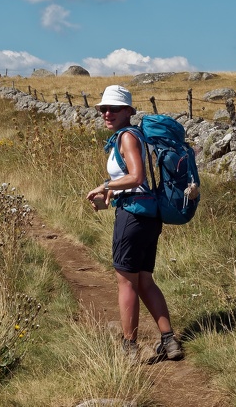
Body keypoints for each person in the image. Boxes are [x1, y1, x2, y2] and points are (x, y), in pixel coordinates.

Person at [86, 85, 184, 362]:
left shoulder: (127, 137)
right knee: (144, 281)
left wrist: (104, 185)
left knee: (126, 282)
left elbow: (136, 176)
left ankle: (129, 347)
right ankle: (169, 341)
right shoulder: (138, 136)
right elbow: (135, 180)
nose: (107, 113)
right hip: (148, 215)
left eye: (114, 109)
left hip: (133, 216)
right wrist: (110, 193)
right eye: (104, 109)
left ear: (128, 111)